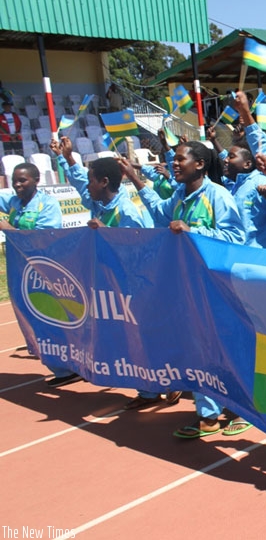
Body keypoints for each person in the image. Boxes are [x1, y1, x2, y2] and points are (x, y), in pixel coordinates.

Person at [122, 141, 247, 438]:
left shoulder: (217, 195)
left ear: (200, 164)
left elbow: (235, 237)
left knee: (221, 349)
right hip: (186, 286)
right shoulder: (179, 196)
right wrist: (135, 179)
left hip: (216, 287)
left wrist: (195, 231)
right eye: (174, 160)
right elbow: (158, 212)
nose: (174, 164)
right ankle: (209, 414)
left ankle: (238, 409)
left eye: (180, 159)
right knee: (197, 348)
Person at [51, 137, 183, 408]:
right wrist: (69, 159)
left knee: (149, 335)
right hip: (114, 282)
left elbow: (141, 249)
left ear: (103, 182)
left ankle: (173, 379)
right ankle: (148, 391)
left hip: (140, 283)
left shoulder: (127, 211)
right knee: (127, 337)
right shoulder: (99, 200)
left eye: (91, 180)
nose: (86, 186)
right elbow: (79, 185)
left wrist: (107, 234)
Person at [0, 163, 72, 385]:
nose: (18, 185)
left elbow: (41, 238)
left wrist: (7, 228)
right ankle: (58, 365)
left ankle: (68, 366)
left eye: (23, 181)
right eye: (15, 181)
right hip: (18, 270)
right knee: (28, 316)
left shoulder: (47, 205)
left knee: (50, 316)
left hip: (42, 271)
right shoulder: (13, 202)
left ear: (36, 180)